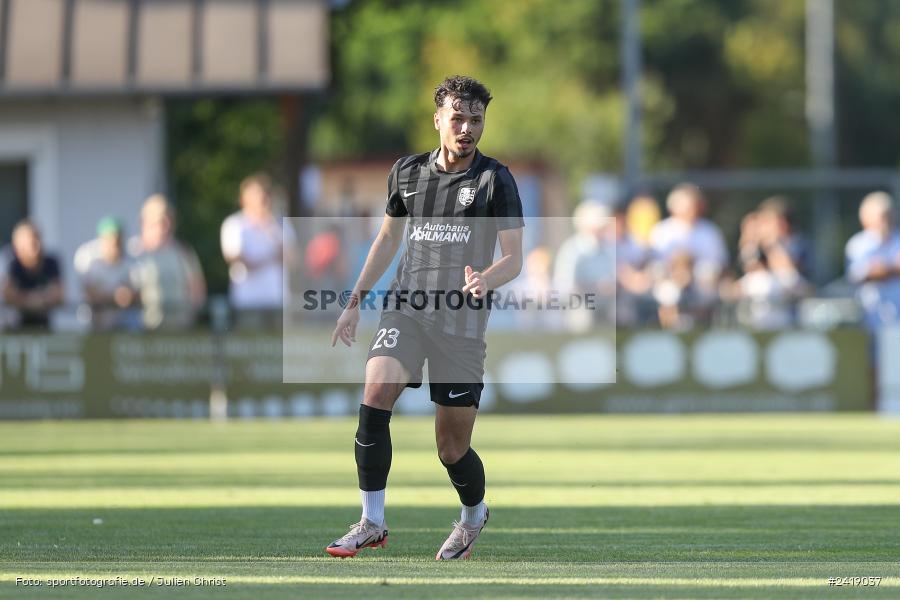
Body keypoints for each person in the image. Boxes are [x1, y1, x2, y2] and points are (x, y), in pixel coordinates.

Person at [325, 76, 524, 560]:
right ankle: (372, 520)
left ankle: (474, 516)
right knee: (375, 394)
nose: (467, 128)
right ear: (438, 119)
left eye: (476, 119)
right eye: (458, 118)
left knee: (450, 448)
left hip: (461, 323)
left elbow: (515, 259)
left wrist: (486, 280)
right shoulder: (407, 173)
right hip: (407, 309)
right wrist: (355, 302)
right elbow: (388, 241)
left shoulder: (494, 180)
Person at [221, 174, 293, 329]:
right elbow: (238, 259)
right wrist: (271, 257)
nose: (263, 199)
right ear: (244, 199)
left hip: (277, 299)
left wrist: (272, 229)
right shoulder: (234, 224)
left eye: (265, 194)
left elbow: (292, 257)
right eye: (257, 194)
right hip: (248, 301)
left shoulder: (280, 224)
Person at [130, 195, 206, 330]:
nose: (165, 225)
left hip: (179, 329)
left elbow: (197, 289)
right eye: (159, 220)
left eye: (168, 219)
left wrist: (192, 314)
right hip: (143, 329)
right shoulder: (133, 253)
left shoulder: (183, 252)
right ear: (144, 222)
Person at [845, 191, 900, 330]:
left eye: (889, 215)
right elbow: (860, 275)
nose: (886, 221)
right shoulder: (858, 244)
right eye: (882, 217)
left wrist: (883, 269)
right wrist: (891, 268)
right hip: (870, 317)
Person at [73, 217, 136, 330]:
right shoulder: (87, 257)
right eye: (111, 240)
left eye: (118, 240)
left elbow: (134, 294)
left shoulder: (130, 260)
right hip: (92, 324)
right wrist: (116, 297)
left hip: (121, 325)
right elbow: (90, 293)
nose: (115, 245)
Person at [2, 220, 63, 329]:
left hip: (43, 325)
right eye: (32, 241)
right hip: (14, 327)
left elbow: (59, 294)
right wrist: (31, 300)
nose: (37, 245)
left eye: (38, 238)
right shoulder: (10, 262)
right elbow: (8, 294)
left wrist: (37, 300)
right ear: (18, 243)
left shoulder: (51, 262)